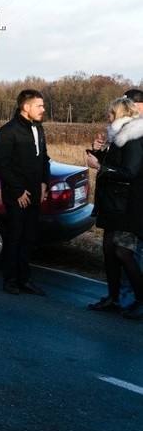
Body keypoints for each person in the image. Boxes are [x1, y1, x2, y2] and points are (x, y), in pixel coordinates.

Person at [85, 97, 143, 318]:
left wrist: (99, 165)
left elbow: (129, 173)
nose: (108, 118)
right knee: (109, 249)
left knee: (123, 252)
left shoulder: (134, 137)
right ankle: (114, 298)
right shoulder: (119, 135)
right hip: (112, 203)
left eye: (110, 114)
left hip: (126, 205)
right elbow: (116, 164)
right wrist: (97, 152)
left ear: (119, 114)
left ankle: (140, 299)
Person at [0, 89, 50, 296]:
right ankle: (10, 279)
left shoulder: (39, 129)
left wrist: (45, 182)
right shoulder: (8, 131)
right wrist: (18, 191)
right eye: (39, 105)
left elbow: (44, 158)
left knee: (29, 238)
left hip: (35, 194)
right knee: (15, 238)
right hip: (17, 195)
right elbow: (1, 165)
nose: (43, 109)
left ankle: (25, 279)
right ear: (26, 107)